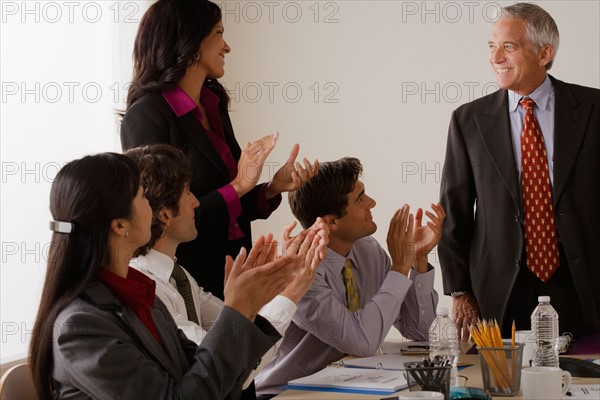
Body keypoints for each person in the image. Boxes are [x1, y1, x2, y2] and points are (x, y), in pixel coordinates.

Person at [28, 152, 310, 399]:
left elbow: (210, 381)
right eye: (141, 197)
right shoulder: (80, 328)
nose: (152, 208)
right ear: (119, 225)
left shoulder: (143, 295)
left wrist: (247, 307)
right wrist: (238, 310)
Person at [120, 0, 318, 300]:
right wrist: (239, 185)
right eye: (219, 33)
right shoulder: (147, 116)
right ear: (192, 42)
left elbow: (232, 207)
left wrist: (270, 188)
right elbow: (159, 219)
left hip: (233, 270)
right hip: (186, 279)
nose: (227, 47)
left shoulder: (213, 103)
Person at [439, 2, 600, 341]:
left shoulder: (593, 109)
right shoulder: (468, 121)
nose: (495, 57)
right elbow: (454, 215)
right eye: (492, 46)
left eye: (508, 47)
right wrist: (459, 291)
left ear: (544, 53)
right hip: (499, 289)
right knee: (503, 386)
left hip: (583, 284)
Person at [125, 143, 328, 399]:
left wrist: (276, 281)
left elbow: (245, 350)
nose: (197, 202)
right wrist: (290, 293)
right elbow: (232, 367)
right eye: (188, 193)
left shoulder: (179, 277)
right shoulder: (145, 290)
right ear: (165, 215)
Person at [255, 157, 444, 396]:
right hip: (287, 393)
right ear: (331, 221)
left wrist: (416, 260)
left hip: (348, 385)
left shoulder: (369, 250)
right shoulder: (301, 271)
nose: (372, 203)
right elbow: (362, 341)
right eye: (360, 199)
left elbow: (420, 332)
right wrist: (399, 268)